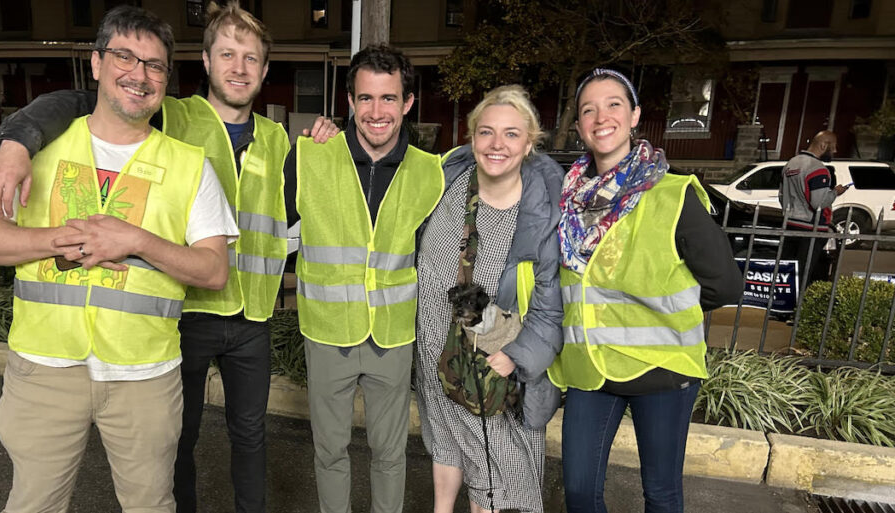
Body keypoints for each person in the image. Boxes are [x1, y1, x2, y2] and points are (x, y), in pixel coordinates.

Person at [0, 2, 336, 511]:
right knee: (177, 444)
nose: (239, 67)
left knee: (250, 435)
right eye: (227, 55)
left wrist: (325, 140)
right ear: (206, 64)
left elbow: (301, 205)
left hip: (252, 313)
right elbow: (74, 101)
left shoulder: (278, 138)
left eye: (251, 58)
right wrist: (17, 140)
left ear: (264, 71)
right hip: (188, 311)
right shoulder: (170, 111)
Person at [0, 6, 238, 512]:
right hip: (44, 369)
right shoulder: (34, 147)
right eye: (125, 57)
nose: (140, 74)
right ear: (95, 64)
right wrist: (57, 240)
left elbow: (214, 270)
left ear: (166, 80)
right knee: (33, 505)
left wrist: (135, 239)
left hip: (144, 377)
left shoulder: (189, 166)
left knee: (151, 505)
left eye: (155, 65)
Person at [549, 69, 744, 513]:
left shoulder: (671, 193)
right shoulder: (566, 200)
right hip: (590, 370)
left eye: (614, 104)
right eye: (588, 109)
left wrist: (661, 313)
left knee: (661, 495)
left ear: (635, 114)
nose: (602, 116)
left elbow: (725, 282)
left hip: (661, 371)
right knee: (578, 492)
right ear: (579, 125)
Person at [285, 44, 444, 513]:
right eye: (366, 99)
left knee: (391, 454)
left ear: (408, 103)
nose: (377, 112)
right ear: (350, 102)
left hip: (392, 337)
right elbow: (271, 234)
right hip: (328, 332)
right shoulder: (310, 157)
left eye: (389, 99)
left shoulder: (430, 173)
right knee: (329, 450)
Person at [414, 85, 563, 513]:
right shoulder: (447, 184)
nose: (497, 144)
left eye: (512, 134)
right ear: (472, 136)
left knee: (496, 477)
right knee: (443, 444)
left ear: (530, 142)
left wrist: (514, 357)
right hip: (433, 355)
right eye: (487, 132)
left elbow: (551, 307)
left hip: (489, 364)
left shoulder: (540, 214)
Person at [779, 130, 847, 286]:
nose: (835, 151)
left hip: (790, 223)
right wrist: (835, 192)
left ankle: (781, 304)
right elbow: (819, 203)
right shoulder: (817, 168)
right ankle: (796, 306)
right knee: (803, 273)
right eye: (834, 147)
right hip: (811, 228)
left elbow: (782, 196)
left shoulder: (791, 164)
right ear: (823, 145)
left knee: (786, 270)